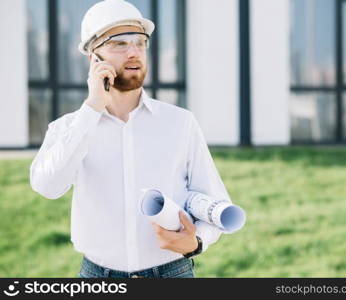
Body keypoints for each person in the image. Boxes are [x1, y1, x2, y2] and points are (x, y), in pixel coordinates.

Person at [30, 0, 232, 278]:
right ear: (94, 59)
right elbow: (48, 186)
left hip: (173, 274)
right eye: (119, 44)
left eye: (140, 42)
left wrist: (197, 242)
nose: (134, 52)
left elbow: (214, 198)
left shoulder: (180, 122)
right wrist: (91, 109)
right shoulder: (69, 127)